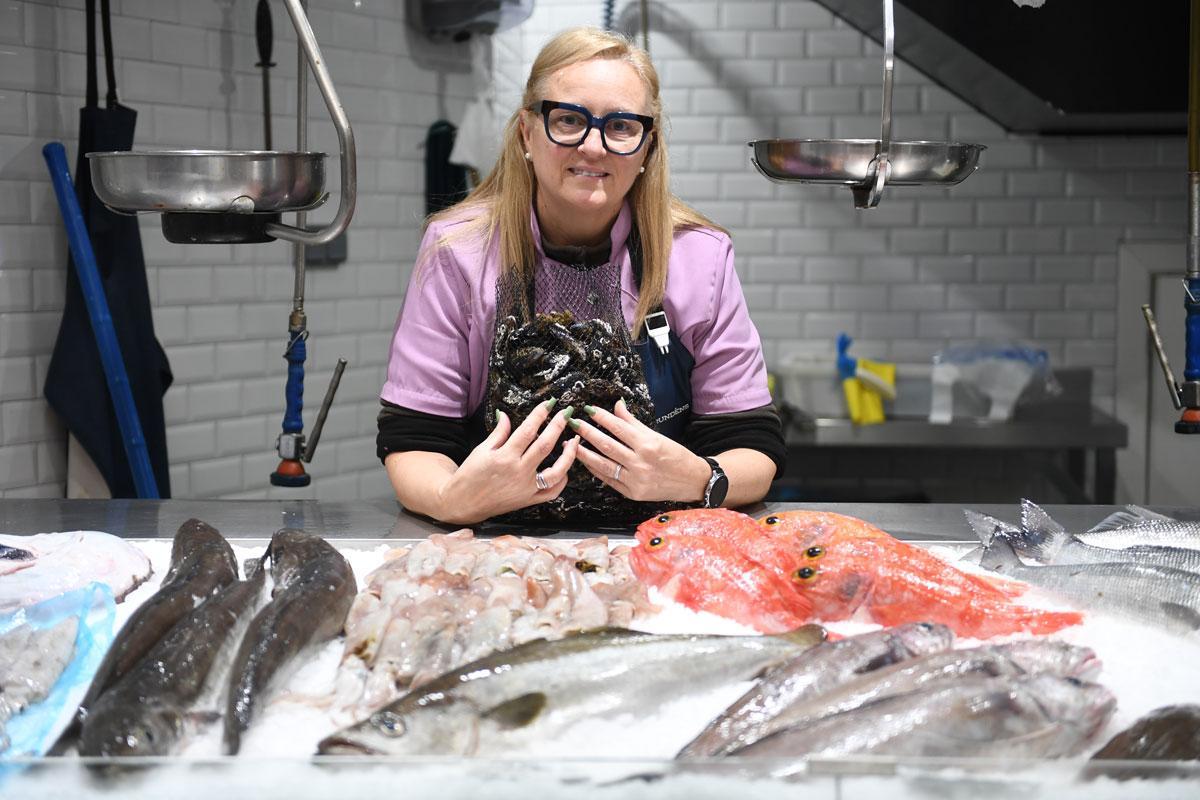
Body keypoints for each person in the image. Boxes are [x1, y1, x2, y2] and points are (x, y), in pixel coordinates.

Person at [377, 27, 785, 526]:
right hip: (499, 551)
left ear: (647, 148)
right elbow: (414, 440)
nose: (593, 147)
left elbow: (753, 447)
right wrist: (450, 500)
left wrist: (702, 480)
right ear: (527, 131)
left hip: (659, 550)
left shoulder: (698, 257)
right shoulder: (458, 251)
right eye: (568, 120)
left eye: (620, 127)